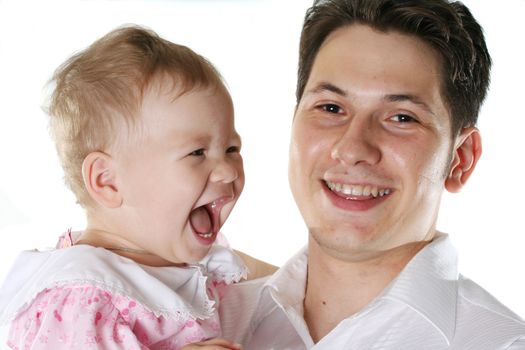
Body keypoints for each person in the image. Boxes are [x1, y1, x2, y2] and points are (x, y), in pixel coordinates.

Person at [219, 0, 525, 349]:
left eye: (402, 117)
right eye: (331, 108)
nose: (352, 149)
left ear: (461, 159)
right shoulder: (200, 320)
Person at [0, 25, 275, 349]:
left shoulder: (195, 267)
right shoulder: (83, 299)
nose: (228, 170)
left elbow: (295, 286)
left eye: (232, 148)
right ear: (108, 181)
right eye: (197, 153)